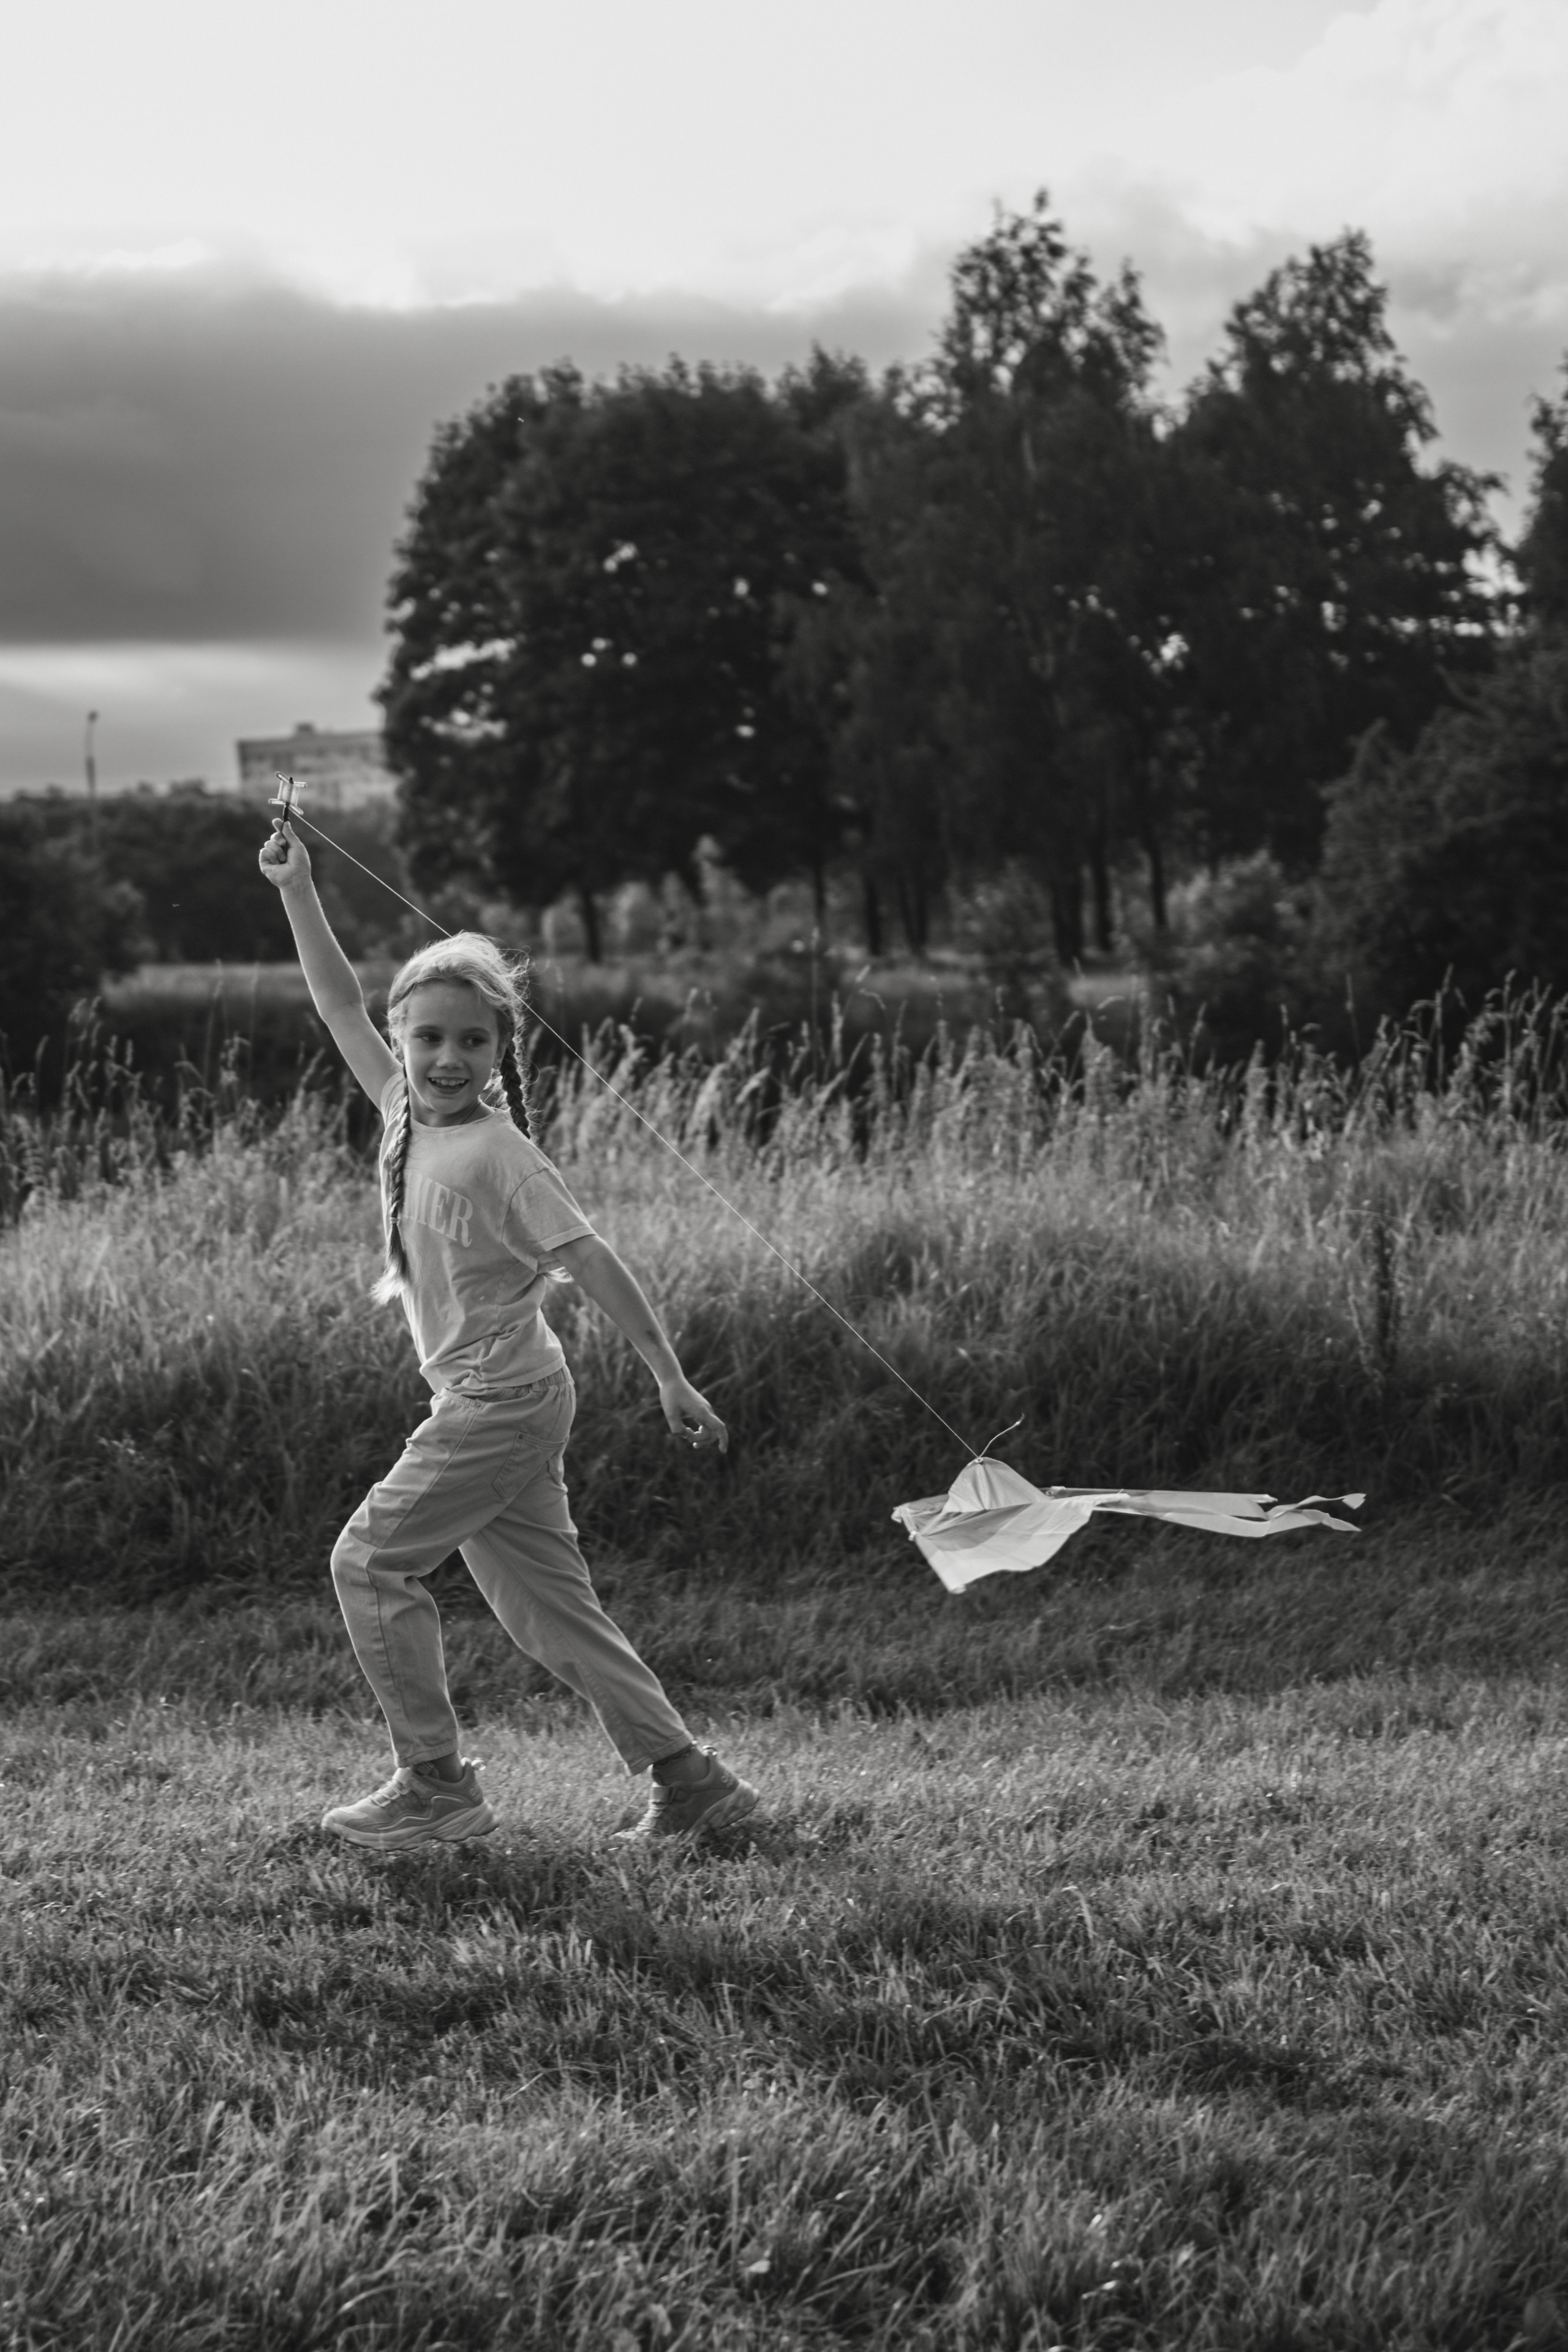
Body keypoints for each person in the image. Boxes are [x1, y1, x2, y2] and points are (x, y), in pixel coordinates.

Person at [258, 819, 758, 1852]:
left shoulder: (501, 1154)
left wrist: (671, 1377)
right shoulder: (401, 1106)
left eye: (473, 1040)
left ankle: (434, 1785)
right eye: (429, 1036)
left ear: (501, 1049)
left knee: (368, 1564)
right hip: (492, 1398)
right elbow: (337, 1000)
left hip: (506, 1402)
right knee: (552, 1616)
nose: (447, 1057)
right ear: (403, 1040)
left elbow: (595, 1259)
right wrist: (299, 890)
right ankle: (693, 1782)